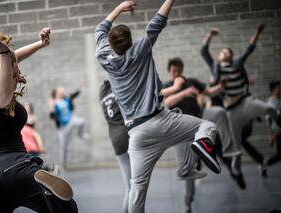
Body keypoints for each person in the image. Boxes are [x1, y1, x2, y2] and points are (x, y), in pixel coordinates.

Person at [95, 1, 221, 212]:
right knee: (207, 127)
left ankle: (186, 168)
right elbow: (157, 22)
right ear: (130, 41)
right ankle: (198, 148)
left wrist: (117, 9)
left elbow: (100, 28)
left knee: (137, 188)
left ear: (111, 43)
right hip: (162, 120)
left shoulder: (103, 57)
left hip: (137, 133)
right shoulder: (140, 50)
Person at [0, 27, 78, 212]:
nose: (20, 78)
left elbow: (11, 59)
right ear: (1, 76)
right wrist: (3, 52)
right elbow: (4, 88)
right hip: (14, 167)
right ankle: (41, 180)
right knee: (65, 207)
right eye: (14, 74)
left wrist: (40, 44)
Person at [201, 24, 281, 189]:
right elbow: (204, 51)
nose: (224, 53)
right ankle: (237, 172)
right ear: (219, 56)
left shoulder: (237, 63)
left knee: (270, 109)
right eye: (222, 52)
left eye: (227, 52)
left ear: (231, 56)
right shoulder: (215, 67)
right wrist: (209, 35)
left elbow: (249, 49)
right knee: (235, 149)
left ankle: (279, 120)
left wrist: (257, 32)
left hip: (245, 101)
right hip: (231, 111)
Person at [162, 57, 234, 213]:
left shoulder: (191, 82)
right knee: (187, 170)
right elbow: (165, 103)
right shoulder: (167, 87)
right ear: (169, 72)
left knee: (219, 113)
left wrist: (221, 87)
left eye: (179, 70)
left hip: (198, 123)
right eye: (174, 71)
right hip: (180, 132)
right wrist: (185, 93)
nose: (176, 73)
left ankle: (226, 148)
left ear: (182, 71)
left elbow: (209, 91)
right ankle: (187, 203)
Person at [99, 80, 131, 213]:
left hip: (115, 139)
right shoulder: (118, 89)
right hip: (126, 136)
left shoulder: (102, 93)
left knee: (129, 186)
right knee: (133, 187)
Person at [49, 86, 89, 169]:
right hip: (62, 126)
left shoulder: (66, 99)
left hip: (71, 120)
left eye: (63, 91)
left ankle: (80, 134)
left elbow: (73, 96)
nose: (62, 93)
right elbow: (52, 116)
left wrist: (79, 88)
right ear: (56, 93)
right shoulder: (54, 102)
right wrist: (51, 108)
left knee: (82, 121)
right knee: (63, 146)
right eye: (60, 91)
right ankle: (62, 165)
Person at [264, 80, 281, 175]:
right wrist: (270, 135)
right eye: (278, 88)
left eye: (280, 88)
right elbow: (268, 121)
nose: (280, 90)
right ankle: (264, 164)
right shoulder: (270, 104)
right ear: (272, 90)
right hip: (279, 132)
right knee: (280, 155)